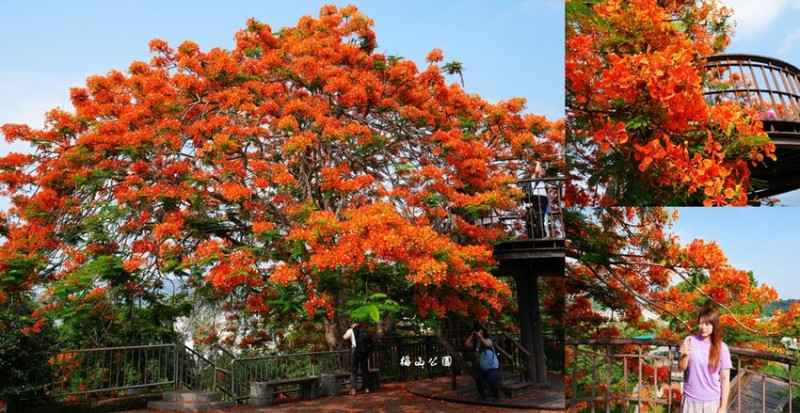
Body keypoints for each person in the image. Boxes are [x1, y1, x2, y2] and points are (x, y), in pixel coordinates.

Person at [678, 303, 732, 413]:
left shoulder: (722, 347)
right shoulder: (689, 341)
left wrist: (723, 407)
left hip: (711, 402)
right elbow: (681, 368)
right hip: (690, 399)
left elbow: (725, 379)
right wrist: (685, 354)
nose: (703, 327)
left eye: (707, 324)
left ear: (714, 325)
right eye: (700, 323)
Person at [465, 324, 500, 402]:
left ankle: (496, 396)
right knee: (478, 379)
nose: (479, 332)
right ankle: (482, 396)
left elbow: (487, 344)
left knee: (491, 380)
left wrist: (480, 336)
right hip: (482, 366)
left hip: (492, 366)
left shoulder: (488, 340)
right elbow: (467, 344)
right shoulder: (476, 343)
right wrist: (472, 334)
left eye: (480, 330)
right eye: (478, 331)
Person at [343, 320, 371, 396]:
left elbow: (345, 337)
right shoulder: (364, 330)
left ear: (353, 324)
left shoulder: (350, 330)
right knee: (365, 370)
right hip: (363, 351)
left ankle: (353, 389)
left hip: (355, 351)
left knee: (353, 370)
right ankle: (367, 388)